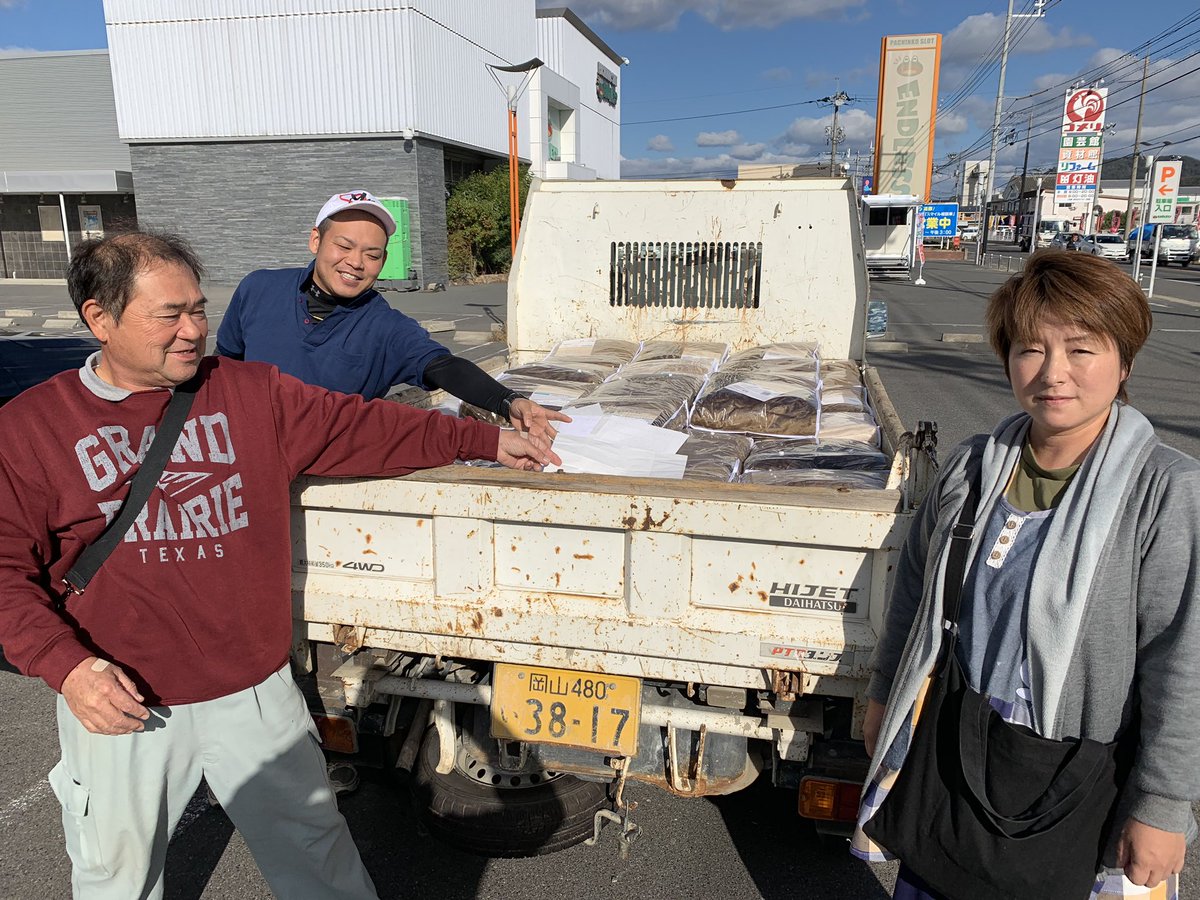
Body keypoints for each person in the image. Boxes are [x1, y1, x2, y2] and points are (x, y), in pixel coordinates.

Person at [0, 232, 557, 899]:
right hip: (121, 700)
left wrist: (489, 439)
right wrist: (68, 667)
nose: (193, 331)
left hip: (255, 695)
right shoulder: (33, 426)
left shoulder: (250, 393)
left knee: (320, 864)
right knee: (114, 879)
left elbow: (370, 428)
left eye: (199, 310)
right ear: (99, 319)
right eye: (168, 315)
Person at [852, 250, 1200, 898]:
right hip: (953, 757)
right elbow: (914, 593)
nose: (1053, 373)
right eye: (1030, 349)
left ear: (1124, 359)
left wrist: (1163, 804)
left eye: (1080, 348)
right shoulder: (972, 469)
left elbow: (1182, 661)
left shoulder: (1164, 493)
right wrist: (882, 701)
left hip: (1073, 782)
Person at [216, 189, 566, 437]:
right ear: (315, 241)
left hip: (323, 467)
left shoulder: (385, 327)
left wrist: (509, 401)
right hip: (243, 452)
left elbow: (442, 366)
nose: (355, 263)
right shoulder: (259, 288)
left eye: (372, 254)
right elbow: (224, 363)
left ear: (382, 262)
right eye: (344, 246)